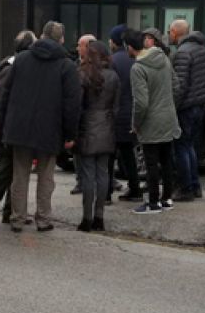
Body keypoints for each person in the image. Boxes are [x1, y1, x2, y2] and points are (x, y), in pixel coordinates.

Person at [0, 21, 82, 232]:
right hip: (50, 128)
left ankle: (17, 218)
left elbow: (5, 94)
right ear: (61, 39)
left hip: (19, 127)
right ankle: (43, 219)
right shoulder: (67, 66)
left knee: (20, 175)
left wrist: (5, 123)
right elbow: (72, 103)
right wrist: (70, 133)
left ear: (41, 36)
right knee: (46, 177)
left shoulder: (22, 59)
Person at [0, 30, 36, 230]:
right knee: (5, 174)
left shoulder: (13, 66)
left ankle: (9, 212)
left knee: (15, 173)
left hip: (11, 129)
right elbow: (1, 105)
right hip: (8, 130)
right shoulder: (12, 68)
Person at [127, 28, 181, 214]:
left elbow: (140, 102)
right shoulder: (164, 58)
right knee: (166, 160)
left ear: (129, 47)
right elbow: (176, 84)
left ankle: (152, 202)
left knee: (151, 163)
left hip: (151, 121)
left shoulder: (138, 67)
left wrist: (135, 123)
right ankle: (167, 198)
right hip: (169, 117)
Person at [74, 41, 120, 231]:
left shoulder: (83, 74)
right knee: (103, 174)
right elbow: (116, 107)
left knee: (87, 175)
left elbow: (77, 106)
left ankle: (86, 217)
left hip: (87, 127)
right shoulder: (114, 76)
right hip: (107, 126)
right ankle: (99, 216)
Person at [168, 19, 205, 201]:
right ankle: (195, 186)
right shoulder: (200, 50)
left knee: (181, 147)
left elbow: (180, 84)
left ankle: (185, 188)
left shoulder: (182, 52)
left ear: (176, 32)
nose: (169, 35)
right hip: (200, 105)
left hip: (186, 106)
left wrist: (173, 107)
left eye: (170, 31)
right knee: (190, 147)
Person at [109, 25, 143, 202]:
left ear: (114, 42)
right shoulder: (135, 60)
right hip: (131, 113)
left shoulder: (112, 60)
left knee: (108, 155)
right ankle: (135, 188)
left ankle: (106, 192)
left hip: (116, 114)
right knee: (128, 154)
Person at [71, 34, 97, 195]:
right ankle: (80, 181)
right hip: (81, 115)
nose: (77, 48)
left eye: (79, 45)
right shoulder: (76, 65)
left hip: (89, 114)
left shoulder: (96, 68)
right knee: (77, 151)